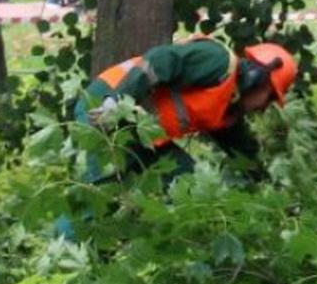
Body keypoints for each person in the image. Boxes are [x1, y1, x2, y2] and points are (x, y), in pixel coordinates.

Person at [73, 36, 298, 183]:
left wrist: (265, 184)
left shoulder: (228, 109)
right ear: (259, 78)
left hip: (139, 135)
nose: (263, 107)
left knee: (186, 182)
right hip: (103, 107)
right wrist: (116, 100)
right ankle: (60, 248)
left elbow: (243, 152)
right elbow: (160, 59)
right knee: (100, 191)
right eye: (269, 97)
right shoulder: (217, 62)